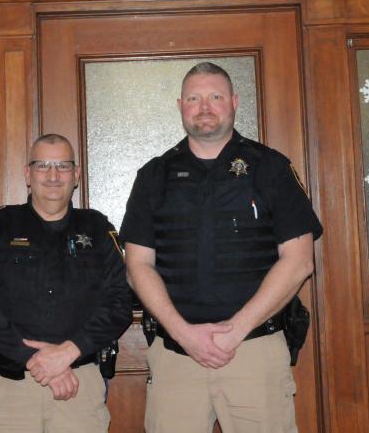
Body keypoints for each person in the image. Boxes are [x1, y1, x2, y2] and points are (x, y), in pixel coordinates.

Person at [120, 62, 323, 432]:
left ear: (234, 102)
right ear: (181, 105)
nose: (205, 106)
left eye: (215, 96)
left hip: (254, 350)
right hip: (176, 356)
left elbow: (298, 262)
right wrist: (184, 334)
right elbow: (137, 266)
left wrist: (235, 330)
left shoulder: (271, 168)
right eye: (195, 98)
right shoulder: (154, 175)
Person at [0, 133, 132, 432]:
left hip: (78, 385)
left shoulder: (98, 230)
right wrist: (37, 361)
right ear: (28, 175)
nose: (53, 175)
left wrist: (68, 352)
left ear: (76, 175)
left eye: (63, 166)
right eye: (42, 166)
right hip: (9, 390)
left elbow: (119, 306)